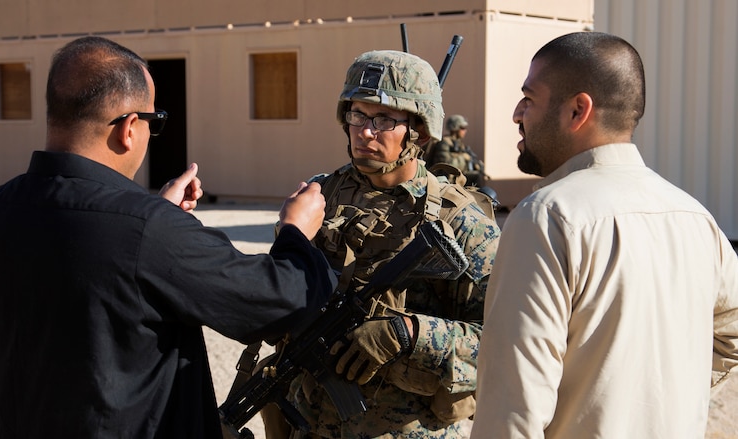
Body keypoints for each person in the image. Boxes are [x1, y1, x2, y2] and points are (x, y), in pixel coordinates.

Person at [0, 36, 337, 439]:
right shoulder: (144, 230)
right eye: (154, 122)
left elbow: (84, 282)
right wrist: (296, 230)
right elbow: (280, 301)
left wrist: (159, 227)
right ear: (127, 129)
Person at [470, 31, 738, 439]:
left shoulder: (546, 217)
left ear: (578, 110)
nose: (516, 113)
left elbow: (512, 408)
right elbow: (731, 334)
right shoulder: (695, 217)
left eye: (530, 98)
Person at [261, 50, 501, 438]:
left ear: (419, 131)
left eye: (384, 119)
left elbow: (500, 341)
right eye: (357, 115)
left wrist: (408, 333)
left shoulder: (461, 222)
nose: (365, 131)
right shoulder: (320, 197)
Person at [424, 114, 489, 186]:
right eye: (462, 128)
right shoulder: (444, 143)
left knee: (479, 176)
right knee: (477, 177)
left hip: (458, 177)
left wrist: (476, 164)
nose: (465, 131)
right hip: (445, 179)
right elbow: (445, 165)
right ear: (455, 128)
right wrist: (463, 158)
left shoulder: (460, 144)